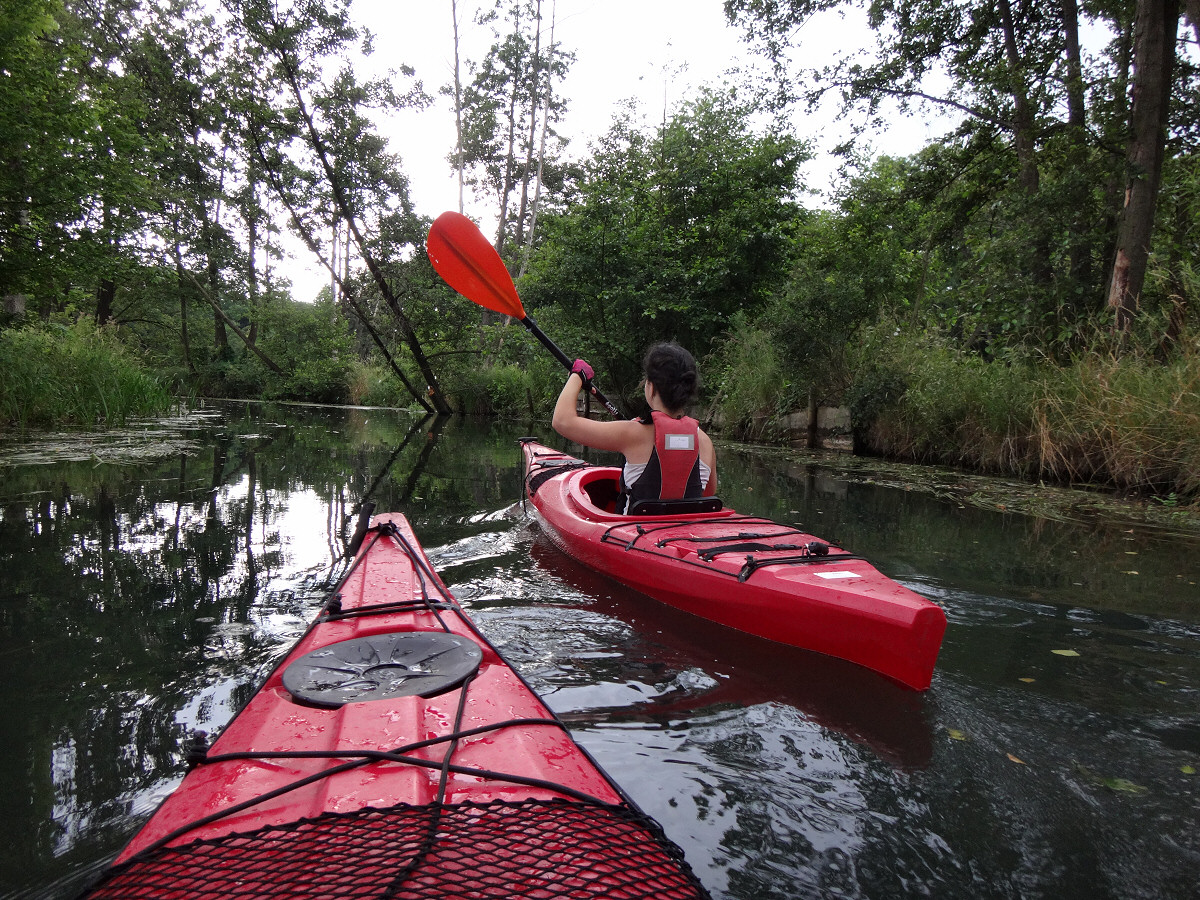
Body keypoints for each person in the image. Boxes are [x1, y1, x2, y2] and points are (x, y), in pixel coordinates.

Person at [552, 342, 717, 512]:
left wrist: (578, 375)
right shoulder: (705, 442)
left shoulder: (632, 433)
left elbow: (562, 421)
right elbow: (707, 494)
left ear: (651, 387)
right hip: (686, 534)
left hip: (635, 534)